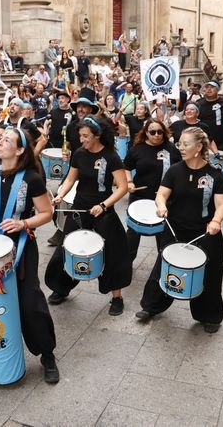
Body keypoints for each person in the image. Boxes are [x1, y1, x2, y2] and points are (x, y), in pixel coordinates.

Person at [0, 127, 60, 383]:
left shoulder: (32, 178)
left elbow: (46, 213)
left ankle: (47, 354)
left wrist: (24, 224)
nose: (0, 141)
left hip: (20, 246)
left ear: (20, 150)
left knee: (30, 302)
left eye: (7, 139)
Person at [135, 127, 223, 333]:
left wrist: (216, 220)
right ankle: (151, 306)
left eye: (185, 144)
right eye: (179, 143)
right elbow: (161, 195)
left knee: (209, 274)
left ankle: (209, 316)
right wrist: (161, 205)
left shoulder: (215, 174)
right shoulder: (175, 170)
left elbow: (222, 204)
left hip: (205, 232)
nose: (181, 147)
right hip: (175, 229)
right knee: (164, 266)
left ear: (198, 147)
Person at [45, 116, 132, 316]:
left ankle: (116, 297)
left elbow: (123, 187)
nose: (82, 139)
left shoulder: (111, 156)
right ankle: (61, 288)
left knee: (113, 254)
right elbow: (70, 179)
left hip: (103, 209)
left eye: (86, 136)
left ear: (97, 135)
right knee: (66, 248)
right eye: (80, 135)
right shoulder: (79, 154)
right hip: (80, 208)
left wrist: (103, 205)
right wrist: (60, 195)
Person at [123, 119, 181, 260]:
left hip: (165, 199)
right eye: (152, 132)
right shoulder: (137, 149)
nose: (156, 135)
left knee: (164, 234)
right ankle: (125, 265)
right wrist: (129, 182)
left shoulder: (171, 148)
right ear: (146, 133)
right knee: (133, 233)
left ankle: (164, 264)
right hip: (140, 196)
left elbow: (180, 169)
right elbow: (126, 167)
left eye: (160, 132)